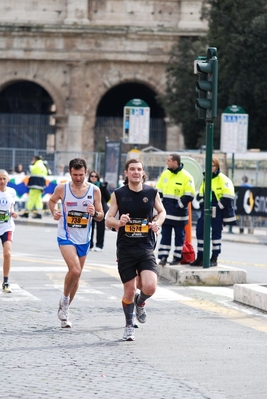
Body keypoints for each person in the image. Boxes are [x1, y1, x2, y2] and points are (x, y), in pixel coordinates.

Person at [105, 158, 166, 341]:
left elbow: (162, 212)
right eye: (132, 169)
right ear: (126, 173)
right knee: (129, 290)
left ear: (143, 172)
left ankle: (140, 302)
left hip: (146, 246)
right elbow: (108, 220)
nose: (136, 172)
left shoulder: (151, 192)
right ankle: (129, 325)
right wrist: (119, 222)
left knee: (150, 286)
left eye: (139, 169)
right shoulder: (119, 194)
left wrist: (157, 224)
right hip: (125, 248)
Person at [48, 158, 104, 328]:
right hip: (66, 235)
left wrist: (94, 213)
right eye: (75, 175)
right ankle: (64, 300)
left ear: (86, 172)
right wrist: (54, 211)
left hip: (84, 238)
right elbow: (51, 201)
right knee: (75, 269)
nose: (78, 178)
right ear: (70, 173)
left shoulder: (94, 191)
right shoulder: (62, 189)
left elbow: (101, 215)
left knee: (77, 276)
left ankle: (65, 312)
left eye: (81, 174)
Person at [190, 157, 237, 267]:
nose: (209, 168)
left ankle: (214, 257)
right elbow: (201, 194)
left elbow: (229, 196)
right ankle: (200, 257)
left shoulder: (223, 179)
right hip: (206, 209)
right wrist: (203, 204)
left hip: (217, 210)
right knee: (200, 231)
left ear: (217, 167)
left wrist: (217, 207)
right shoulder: (206, 179)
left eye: (212, 166)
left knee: (216, 233)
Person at [156, 153, 195, 266]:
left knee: (179, 237)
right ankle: (163, 257)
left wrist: (178, 205)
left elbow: (190, 194)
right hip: (166, 214)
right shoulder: (165, 174)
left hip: (180, 214)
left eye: (168, 160)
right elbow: (158, 192)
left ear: (175, 162)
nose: (166, 162)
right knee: (165, 236)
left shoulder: (187, 176)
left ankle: (177, 258)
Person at [0, 170, 18, 293]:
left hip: (7, 226)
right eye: (0, 179)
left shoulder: (12, 192)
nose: (2, 181)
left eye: (4, 178)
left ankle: (6, 281)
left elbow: (11, 207)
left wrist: (13, 212)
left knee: (7, 253)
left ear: (8, 180)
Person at [88, 171, 110, 251]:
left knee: (100, 228)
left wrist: (102, 202)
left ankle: (99, 245)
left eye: (95, 176)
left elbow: (108, 197)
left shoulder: (101, 185)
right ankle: (89, 244)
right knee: (90, 227)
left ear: (98, 177)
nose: (93, 178)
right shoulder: (86, 186)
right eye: (92, 176)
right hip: (89, 209)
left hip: (100, 209)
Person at [20, 155, 48, 219]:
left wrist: (31, 165)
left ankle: (26, 213)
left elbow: (30, 170)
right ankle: (38, 214)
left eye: (33, 159)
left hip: (35, 186)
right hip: (40, 186)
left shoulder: (37, 166)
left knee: (31, 199)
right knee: (38, 200)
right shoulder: (43, 166)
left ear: (36, 159)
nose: (32, 161)